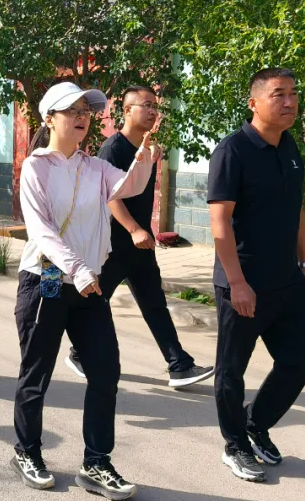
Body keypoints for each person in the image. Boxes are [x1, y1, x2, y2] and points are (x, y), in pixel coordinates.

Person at [10, 81, 158, 501]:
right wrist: (76, 268)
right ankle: (27, 451)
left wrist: (145, 157)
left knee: (105, 372)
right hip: (46, 281)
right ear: (49, 118)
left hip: (88, 285)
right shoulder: (36, 167)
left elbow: (129, 187)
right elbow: (41, 230)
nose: (81, 117)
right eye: (72, 110)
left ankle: (96, 462)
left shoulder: (94, 167)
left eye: (86, 112)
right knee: (37, 373)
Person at [207, 68, 305, 483]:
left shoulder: (289, 145)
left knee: (300, 359)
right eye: (279, 94)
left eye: (293, 94)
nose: (289, 102)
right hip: (245, 281)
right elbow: (220, 223)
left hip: (287, 279)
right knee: (231, 370)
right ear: (254, 103)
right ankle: (234, 444)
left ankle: (256, 424)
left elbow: (296, 209)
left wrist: (304, 263)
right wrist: (237, 282)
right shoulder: (232, 150)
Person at [64, 86, 213, 388]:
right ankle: (79, 353)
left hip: (140, 245)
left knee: (155, 304)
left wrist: (150, 152)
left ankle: (179, 366)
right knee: (95, 300)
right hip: (113, 245)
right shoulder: (113, 148)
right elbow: (110, 196)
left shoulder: (145, 148)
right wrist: (134, 229)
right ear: (127, 111)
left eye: (155, 106)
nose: (153, 111)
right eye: (146, 105)